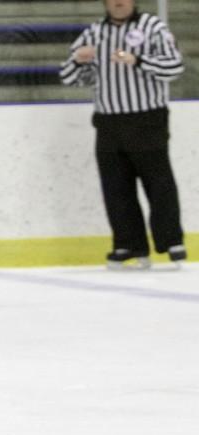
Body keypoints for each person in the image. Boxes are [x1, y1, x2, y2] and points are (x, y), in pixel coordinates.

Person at [59, 0, 186, 270]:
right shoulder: (93, 33)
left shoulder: (152, 27)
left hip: (147, 118)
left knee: (159, 183)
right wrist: (78, 60)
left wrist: (138, 60)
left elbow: (174, 68)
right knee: (116, 188)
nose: (119, 2)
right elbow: (70, 78)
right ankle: (128, 244)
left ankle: (171, 241)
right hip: (108, 122)